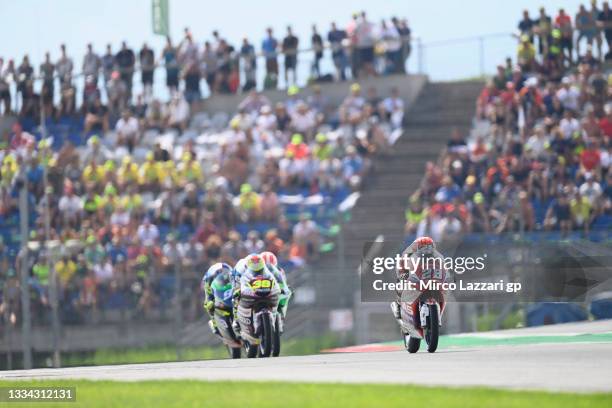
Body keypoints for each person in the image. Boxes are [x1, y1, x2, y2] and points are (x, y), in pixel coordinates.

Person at [390, 236, 450, 333]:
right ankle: (398, 305)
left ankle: (436, 313)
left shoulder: (438, 256)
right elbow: (401, 266)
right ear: (417, 247)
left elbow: (444, 268)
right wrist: (403, 275)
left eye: (429, 247)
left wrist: (447, 276)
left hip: (430, 280)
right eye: (424, 247)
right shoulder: (408, 254)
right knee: (401, 283)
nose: (427, 250)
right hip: (414, 276)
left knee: (445, 289)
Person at [201, 262, 234, 335]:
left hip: (229, 293)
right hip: (217, 296)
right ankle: (215, 325)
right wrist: (210, 301)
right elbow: (208, 296)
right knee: (209, 305)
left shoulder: (231, 275)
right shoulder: (209, 280)